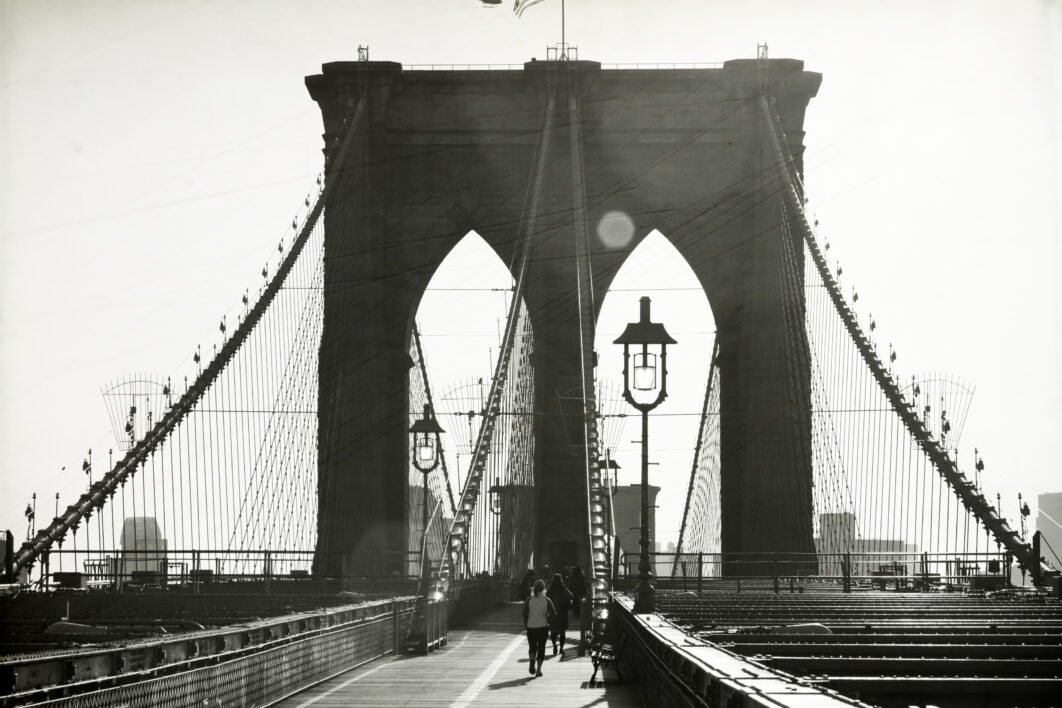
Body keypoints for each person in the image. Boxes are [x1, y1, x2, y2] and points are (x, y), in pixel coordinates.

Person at [522, 578, 555, 677]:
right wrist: (548, 620)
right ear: (544, 588)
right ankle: (538, 670)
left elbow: (524, 613)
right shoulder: (547, 600)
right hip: (543, 626)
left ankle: (532, 661)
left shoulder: (529, 600)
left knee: (532, 647)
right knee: (541, 648)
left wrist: (526, 624)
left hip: (531, 626)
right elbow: (554, 613)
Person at [546, 573, 573, 655]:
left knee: (553, 632)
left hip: (553, 613)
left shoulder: (550, 590)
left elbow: (546, 600)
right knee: (562, 632)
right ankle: (561, 648)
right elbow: (571, 596)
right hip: (562, 613)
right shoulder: (563, 589)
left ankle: (554, 646)